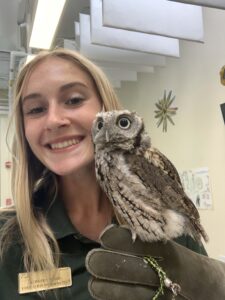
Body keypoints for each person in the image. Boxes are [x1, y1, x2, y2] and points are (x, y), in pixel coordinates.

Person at [0, 48, 224, 300]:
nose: (54, 120)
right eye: (36, 109)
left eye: (73, 100)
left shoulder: (162, 207)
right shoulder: (7, 239)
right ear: (24, 128)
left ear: (107, 111)